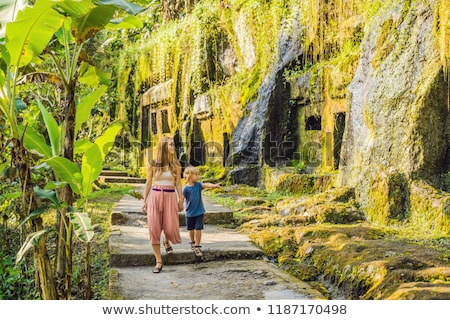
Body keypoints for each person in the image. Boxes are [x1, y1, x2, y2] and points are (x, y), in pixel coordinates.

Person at [142, 136, 184, 273]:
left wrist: (181, 199)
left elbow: (178, 183)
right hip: (155, 195)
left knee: (171, 229)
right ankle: (158, 261)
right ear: (164, 147)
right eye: (171, 144)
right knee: (154, 229)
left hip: (170, 196)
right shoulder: (153, 164)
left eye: (173, 145)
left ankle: (166, 240)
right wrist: (145, 200)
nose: (173, 147)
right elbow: (148, 182)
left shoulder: (176, 165)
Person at [182, 166, 220, 257]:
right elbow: (181, 199)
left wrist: (214, 186)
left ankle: (197, 246)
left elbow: (206, 184)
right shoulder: (185, 189)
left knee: (198, 228)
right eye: (196, 174)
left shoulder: (198, 185)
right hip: (190, 213)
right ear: (189, 176)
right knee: (190, 229)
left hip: (199, 212)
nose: (198, 176)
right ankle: (192, 242)